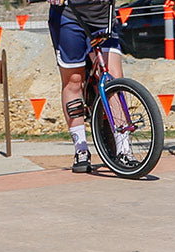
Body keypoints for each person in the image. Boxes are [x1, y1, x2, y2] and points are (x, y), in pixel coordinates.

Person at [47, 0, 131, 173]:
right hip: (69, 15)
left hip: (102, 16)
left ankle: (124, 149)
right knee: (74, 80)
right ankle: (81, 149)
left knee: (113, 79)